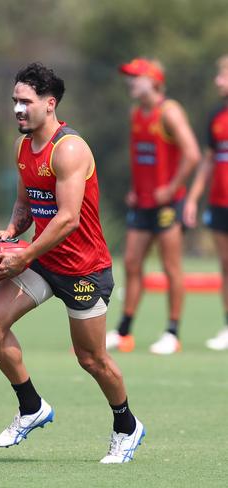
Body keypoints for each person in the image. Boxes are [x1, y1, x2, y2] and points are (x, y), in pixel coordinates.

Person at [0, 63, 144, 463]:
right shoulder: (23, 147)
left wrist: (23, 256)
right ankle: (31, 406)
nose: (18, 109)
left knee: (92, 360)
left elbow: (67, 218)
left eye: (26, 102)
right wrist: (8, 235)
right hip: (42, 260)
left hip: (84, 268)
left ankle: (126, 425)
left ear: (49, 105)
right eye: (15, 101)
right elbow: (25, 205)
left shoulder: (69, 149)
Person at [106, 58, 201, 354]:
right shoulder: (136, 113)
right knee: (132, 263)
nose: (131, 83)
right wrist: (136, 190)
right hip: (143, 203)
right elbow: (142, 156)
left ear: (154, 81)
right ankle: (124, 332)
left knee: (171, 267)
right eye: (130, 77)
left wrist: (172, 189)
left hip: (167, 205)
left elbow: (193, 154)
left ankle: (172, 333)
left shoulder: (168, 112)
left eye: (137, 78)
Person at [184, 54, 228, 351]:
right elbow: (209, 159)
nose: (217, 80)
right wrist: (193, 197)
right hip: (219, 202)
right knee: (225, 266)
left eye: (223, 74)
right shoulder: (217, 115)